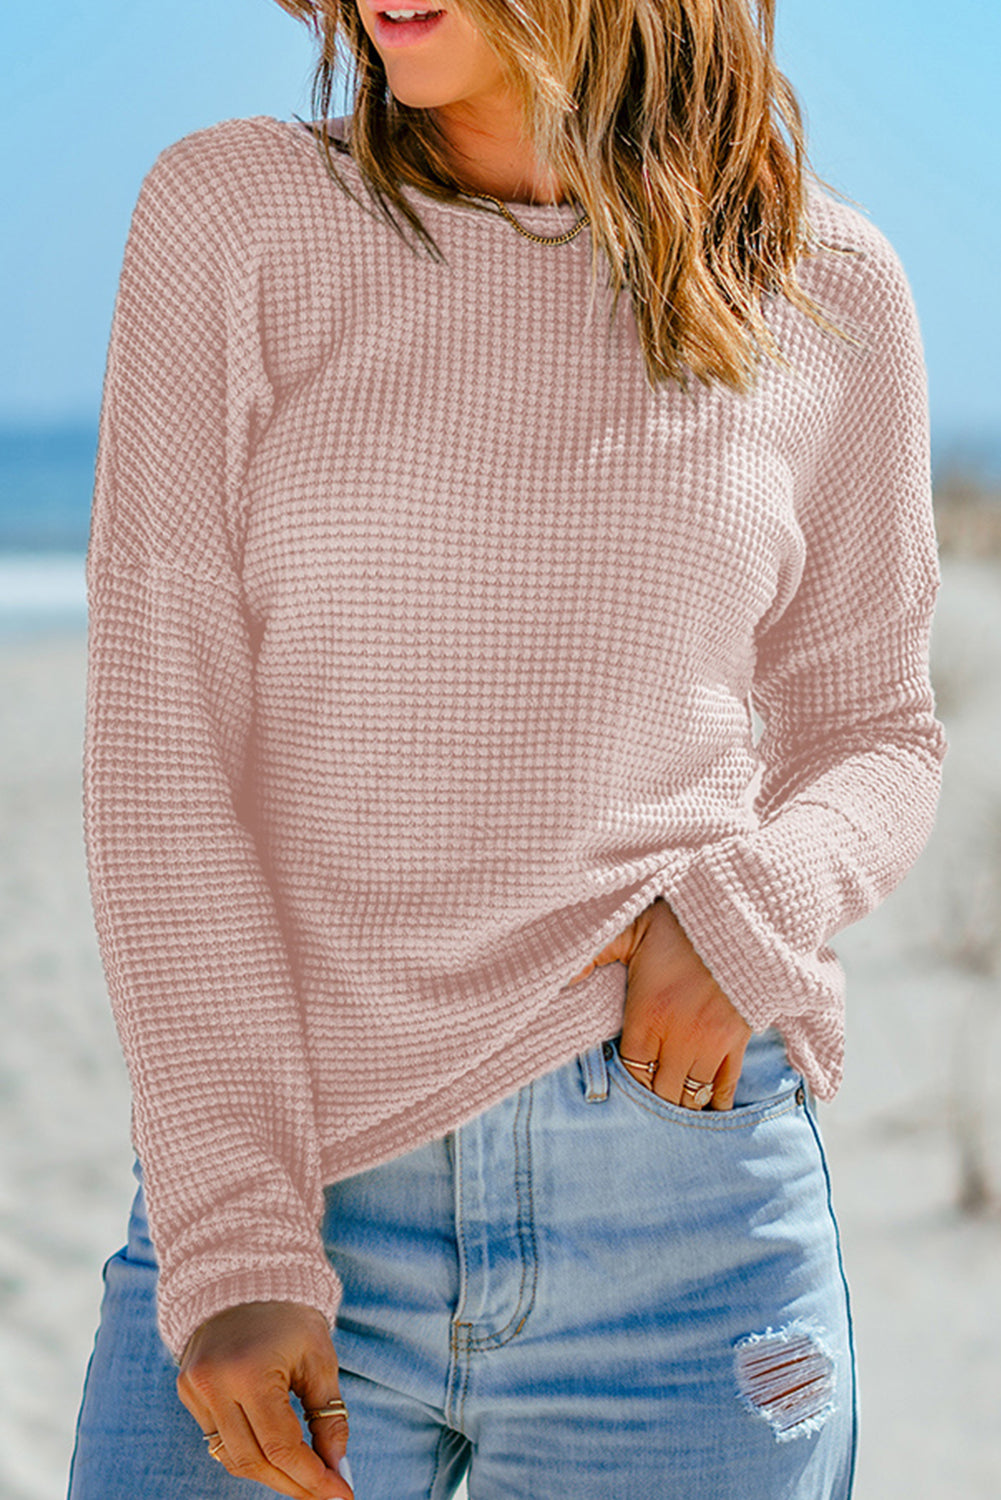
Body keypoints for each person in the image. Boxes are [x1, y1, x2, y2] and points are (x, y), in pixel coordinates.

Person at [65, 0, 947, 1496]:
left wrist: (747, 911)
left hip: (686, 1215)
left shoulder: (819, 280)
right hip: (301, 1190)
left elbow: (872, 733)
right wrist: (235, 1232)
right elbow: (162, 756)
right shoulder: (237, 214)